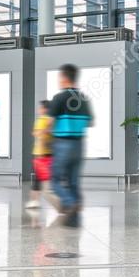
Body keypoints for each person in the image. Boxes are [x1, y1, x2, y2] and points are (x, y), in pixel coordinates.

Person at [47, 64, 93, 227]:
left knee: (55, 180)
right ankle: (74, 215)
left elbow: (49, 122)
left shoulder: (59, 98)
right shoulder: (83, 98)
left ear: (65, 78)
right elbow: (90, 122)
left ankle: (70, 202)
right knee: (74, 181)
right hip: (79, 144)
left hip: (63, 144)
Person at [27, 100, 54, 210]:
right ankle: (35, 201)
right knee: (43, 179)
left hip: (41, 154)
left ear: (45, 109)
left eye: (40, 108)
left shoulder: (42, 120)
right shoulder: (52, 121)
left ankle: (35, 201)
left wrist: (40, 133)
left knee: (38, 179)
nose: (39, 110)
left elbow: (38, 135)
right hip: (50, 153)